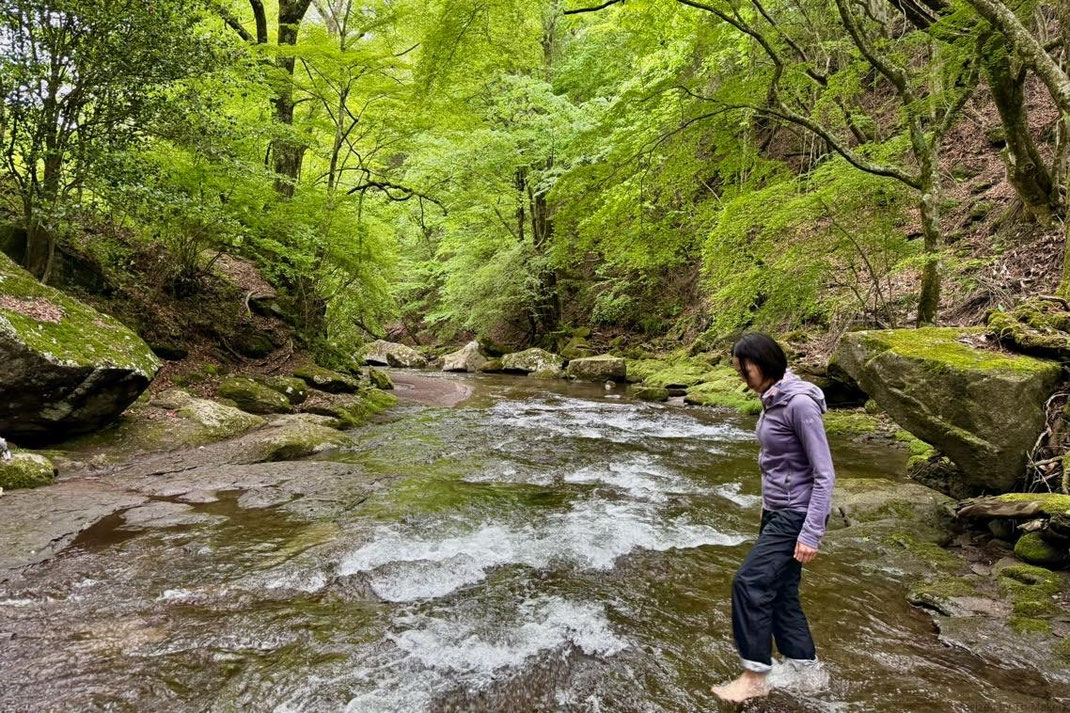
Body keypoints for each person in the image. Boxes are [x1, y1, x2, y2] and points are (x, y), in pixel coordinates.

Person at [711, 332, 835, 703]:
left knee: (749, 583)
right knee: (781, 592)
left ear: (764, 365)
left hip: (796, 514)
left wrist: (811, 532)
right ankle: (805, 670)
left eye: (745, 371)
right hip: (777, 511)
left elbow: (824, 473)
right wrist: (767, 509)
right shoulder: (773, 398)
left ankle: (755, 677)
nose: (742, 378)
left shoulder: (799, 404)